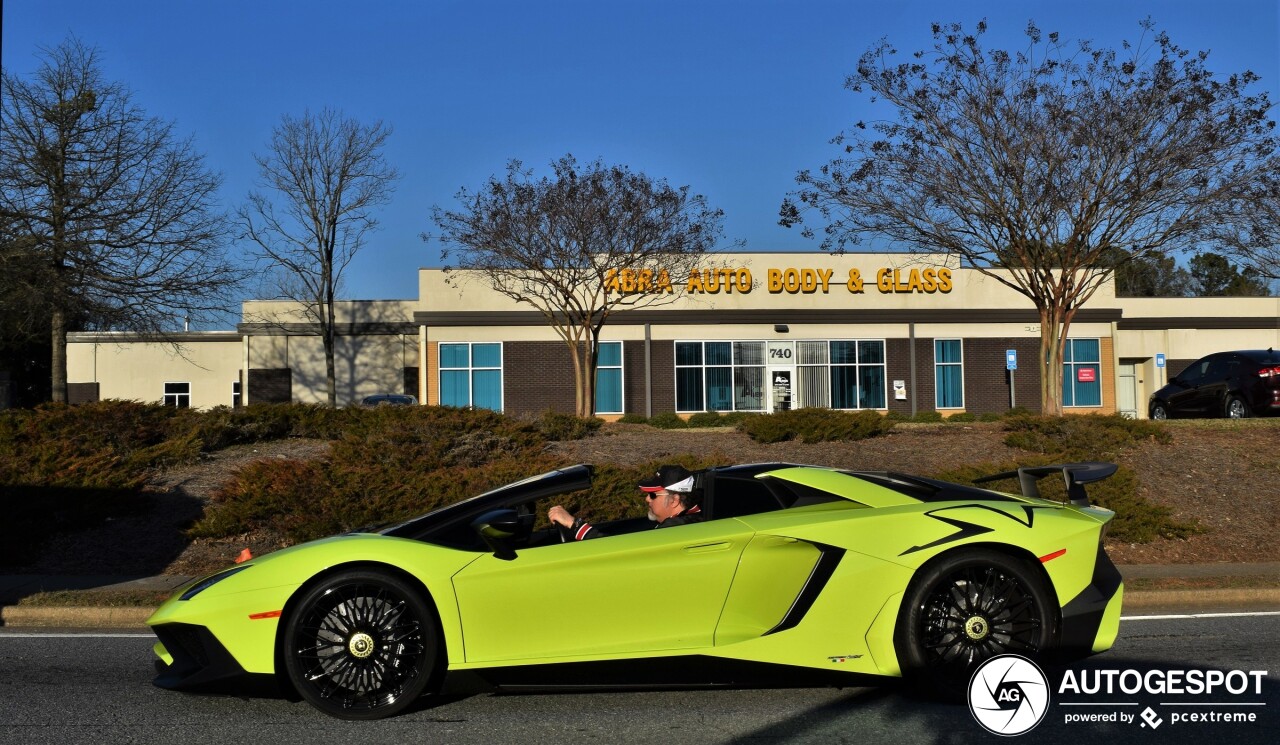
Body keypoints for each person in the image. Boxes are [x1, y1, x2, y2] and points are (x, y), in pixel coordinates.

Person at [548, 464, 703, 541]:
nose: (647, 499)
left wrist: (575, 525)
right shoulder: (688, 518)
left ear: (675, 500)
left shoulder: (674, 530)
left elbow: (619, 552)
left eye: (653, 495)